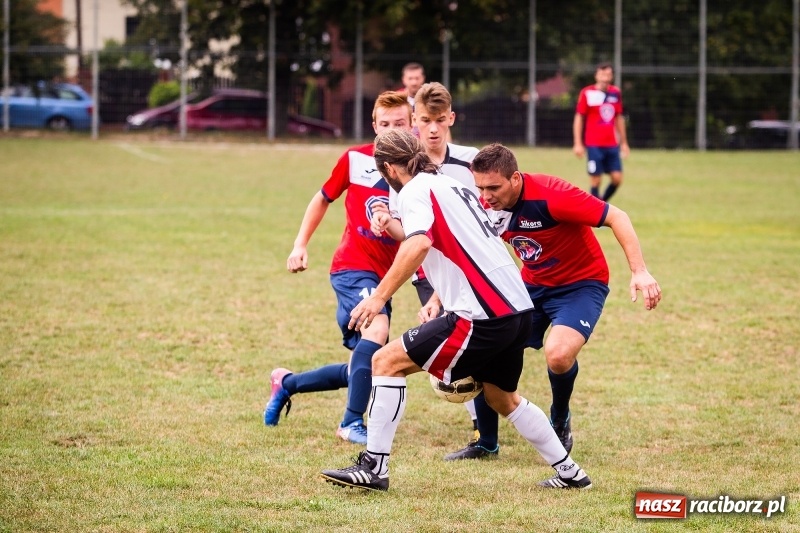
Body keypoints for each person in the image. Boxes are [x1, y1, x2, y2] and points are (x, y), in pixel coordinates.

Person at [319, 129, 592, 492]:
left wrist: (378, 296)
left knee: (385, 363)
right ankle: (571, 473)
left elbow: (419, 243)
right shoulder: (450, 184)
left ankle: (374, 467)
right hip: (517, 307)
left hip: (481, 314)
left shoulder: (415, 190)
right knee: (501, 397)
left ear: (388, 168)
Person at [443, 143, 661, 461]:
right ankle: (485, 442)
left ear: (515, 178)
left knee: (558, 356)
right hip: (530, 286)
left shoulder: (552, 194)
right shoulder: (485, 205)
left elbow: (617, 216)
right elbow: (467, 250)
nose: (486, 196)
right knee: (485, 348)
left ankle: (559, 418)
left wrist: (639, 271)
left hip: (581, 285)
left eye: (493, 187)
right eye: (480, 187)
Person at [263, 92, 413, 445]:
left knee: (370, 366)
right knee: (377, 327)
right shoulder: (355, 159)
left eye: (400, 124)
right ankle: (350, 422)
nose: (392, 131)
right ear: (374, 126)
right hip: (352, 268)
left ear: (412, 127)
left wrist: (391, 225)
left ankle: (287, 384)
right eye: (385, 125)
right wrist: (300, 245)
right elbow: (322, 198)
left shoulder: (419, 171)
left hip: (386, 277)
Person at [377, 81, 482, 438]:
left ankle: (485, 423)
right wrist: (385, 221)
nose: (433, 129)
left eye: (439, 120)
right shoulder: (404, 166)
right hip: (430, 272)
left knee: (475, 342)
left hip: (473, 267)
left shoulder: (471, 161)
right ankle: (480, 424)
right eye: (425, 120)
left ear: (451, 118)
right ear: (414, 122)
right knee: (457, 339)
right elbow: (410, 234)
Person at [573, 62, 630, 201]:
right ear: (596, 75)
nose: (605, 78)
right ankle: (595, 214)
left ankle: (601, 204)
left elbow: (619, 119)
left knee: (617, 178)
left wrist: (624, 143)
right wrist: (578, 143)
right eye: (602, 74)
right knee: (595, 180)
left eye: (608, 75)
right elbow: (579, 118)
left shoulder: (615, 93)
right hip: (594, 144)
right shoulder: (587, 93)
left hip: (611, 144)